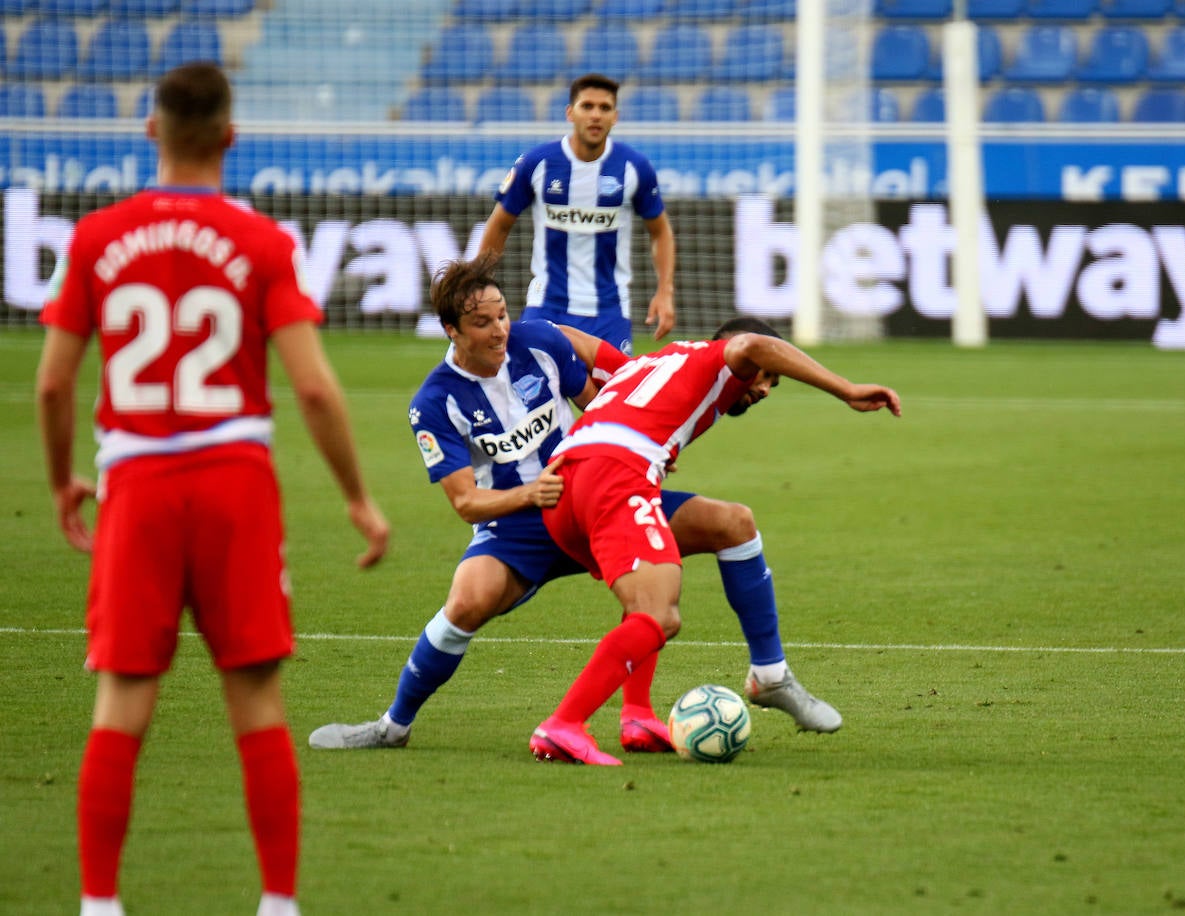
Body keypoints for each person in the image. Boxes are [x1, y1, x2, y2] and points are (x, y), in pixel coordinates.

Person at [35, 63, 390, 916]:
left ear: (150, 131)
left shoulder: (95, 238)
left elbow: (52, 385)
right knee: (257, 698)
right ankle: (276, 903)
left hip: (136, 484)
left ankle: (98, 903)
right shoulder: (264, 242)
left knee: (122, 697)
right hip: (234, 483)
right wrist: (355, 497)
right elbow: (312, 387)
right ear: (232, 136)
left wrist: (60, 483)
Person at [307, 256, 839, 754]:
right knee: (467, 604)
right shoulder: (434, 403)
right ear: (452, 331)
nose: (500, 331)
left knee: (728, 525)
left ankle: (637, 717)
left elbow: (597, 399)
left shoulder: (537, 341)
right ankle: (391, 726)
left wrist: (634, 440)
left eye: (503, 315)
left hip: (596, 489)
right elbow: (468, 502)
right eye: (484, 324)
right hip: (517, 520)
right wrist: (528, 494)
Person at [531, 319, 902, 766]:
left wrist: (516, 328)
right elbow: (754, 344)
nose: (765, 389)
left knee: (731, 525)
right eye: (765, 376)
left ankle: (644, 713)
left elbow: (579, 342)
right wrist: (846, 390)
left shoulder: (647, 364)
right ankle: (563, 725)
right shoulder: (717, 357)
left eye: (773, 383)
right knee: (659, 614)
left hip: (564, 489)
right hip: (614, 480)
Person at [478, 73, 675, 356]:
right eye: (587, 106)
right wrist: (480, 285)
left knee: (611, 400)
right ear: (570, 113)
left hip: (609, 312)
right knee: (530, 394)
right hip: (546, 305)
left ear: (615, 117)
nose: (595, 115)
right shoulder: (538, 163)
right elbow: (499, 225)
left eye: (604, 108)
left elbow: (661, 232)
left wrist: (665, 291)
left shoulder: (634, 167)